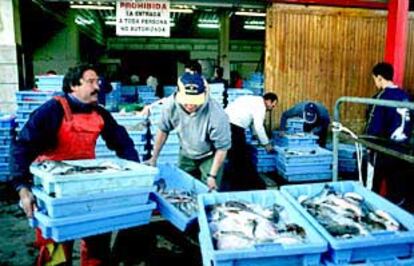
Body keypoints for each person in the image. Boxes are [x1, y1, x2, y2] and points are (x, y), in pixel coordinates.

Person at [9, 64, 139, 265]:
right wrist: (23, 187)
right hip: (54, 191)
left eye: (98, 81)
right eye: (91, 82)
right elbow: (22, 148)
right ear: (73, 86)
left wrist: (137, 174)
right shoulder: (50, 111)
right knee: (55, 250)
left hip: (86, 187)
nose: (98, 86)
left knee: (97, 240)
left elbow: (123, 143)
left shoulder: (100, 113)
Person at [147, 71, 231, 191]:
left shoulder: (217, 114)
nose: (190, 105)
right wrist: (153, 157)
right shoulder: (171, 105)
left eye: (195, 101)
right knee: (181, 188)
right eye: (187, 100)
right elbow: (163, 130)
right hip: (186, 152)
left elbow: (222, 148)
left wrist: (212, 176)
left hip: (209, 155)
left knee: (207, 190)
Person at [365, 62, 412, 205]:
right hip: (402, 150)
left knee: (371, 188)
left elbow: (374, 127)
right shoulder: (406, 96)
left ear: (379, 78)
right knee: (396, 190)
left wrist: (368, 145)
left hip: (382, 151)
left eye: (374, 79)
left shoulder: (380, 97)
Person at [223, 93, 278, 191]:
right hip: (234, 127)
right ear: (269, 101)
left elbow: (253, 124)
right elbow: (259, 126)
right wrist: (267, 144)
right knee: (239, 157)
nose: (272, 108)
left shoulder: (253, 100)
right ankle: (240, 185)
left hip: (225, 122)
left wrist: (256, 136)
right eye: (273, 104)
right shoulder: (261, 106)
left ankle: (234, 180)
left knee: (233, 154)